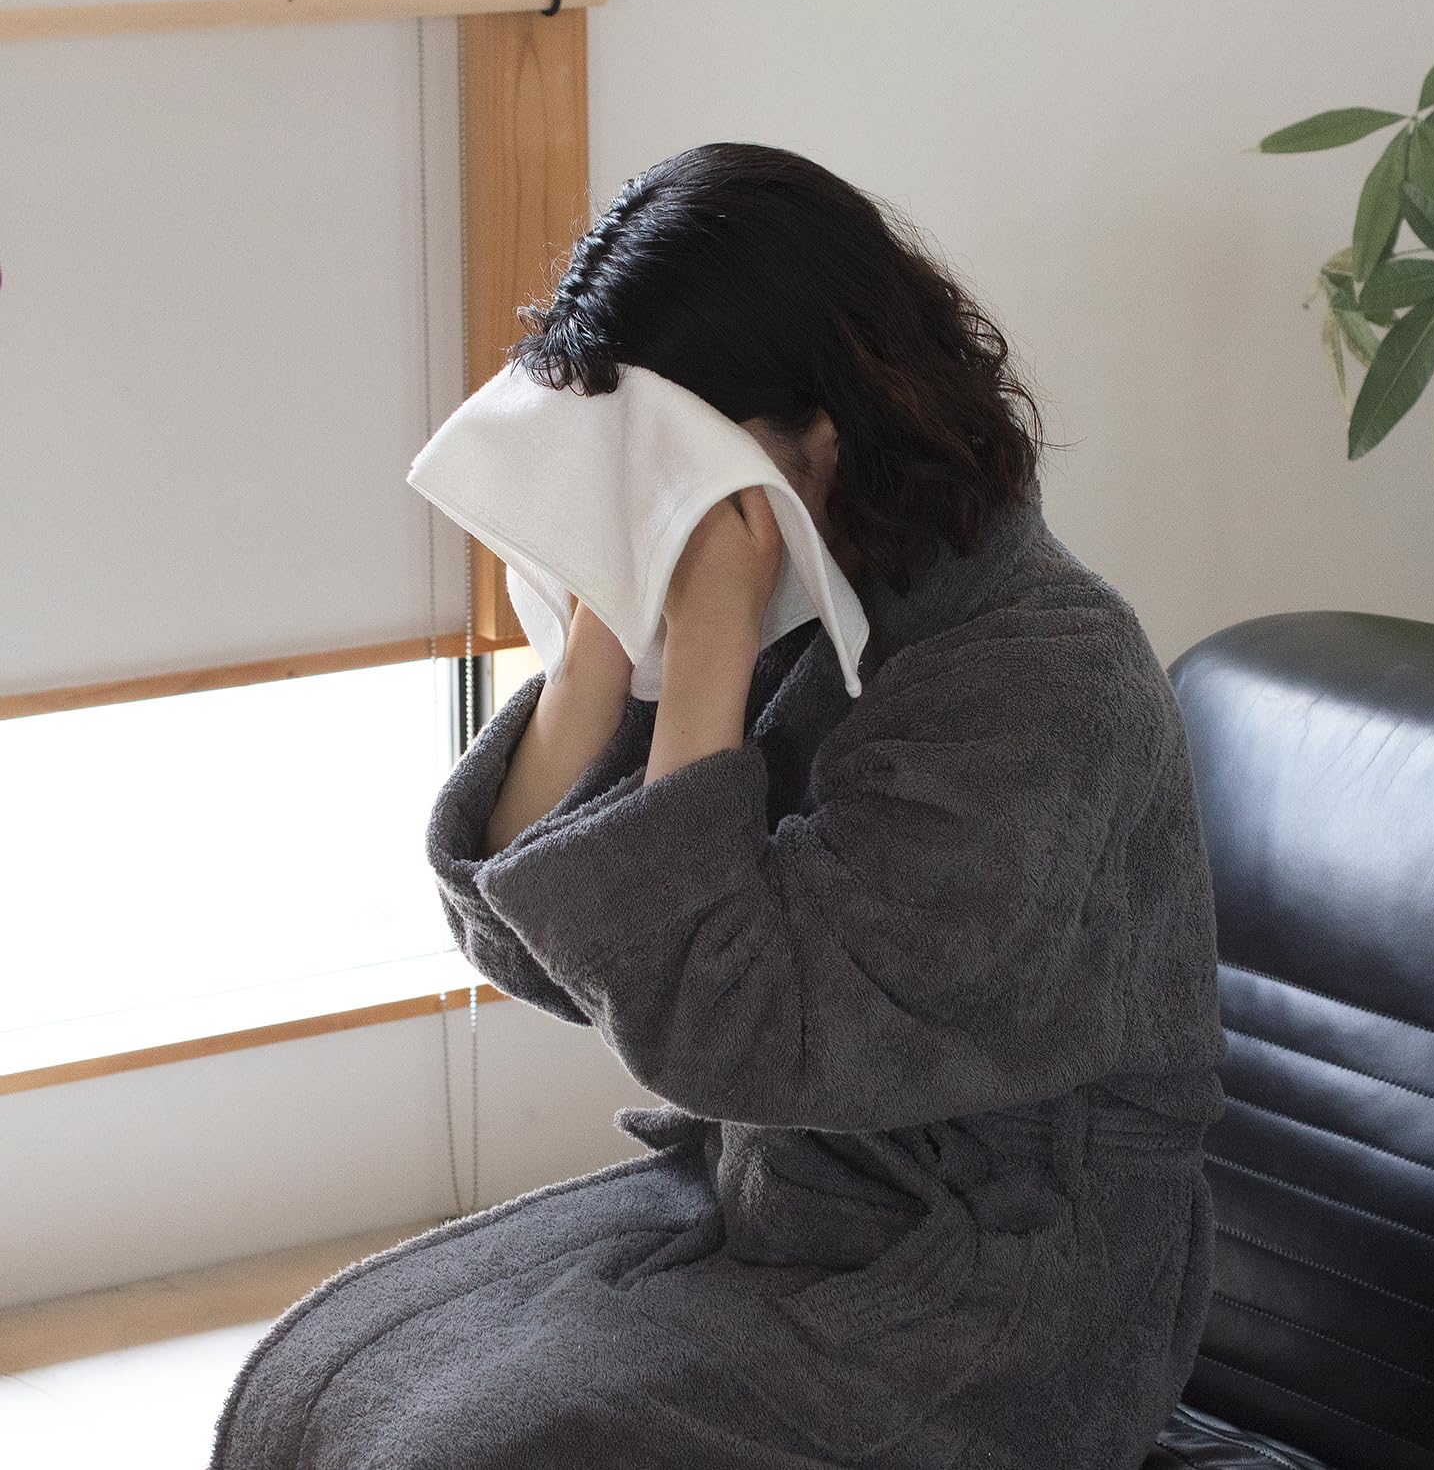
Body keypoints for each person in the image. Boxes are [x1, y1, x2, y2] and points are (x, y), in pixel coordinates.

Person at [209, 141, 1229, 1470]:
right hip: (783, 1198)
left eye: (678, 466)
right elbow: (541, 949)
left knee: (467, 1450)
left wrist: (705, 641)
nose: (662, 504)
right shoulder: (807, 605)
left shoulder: (1040, 676)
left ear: (830, 422)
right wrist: (598, 643)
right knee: (324, 1386)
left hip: (1005, 1280)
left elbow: (734, 1031)